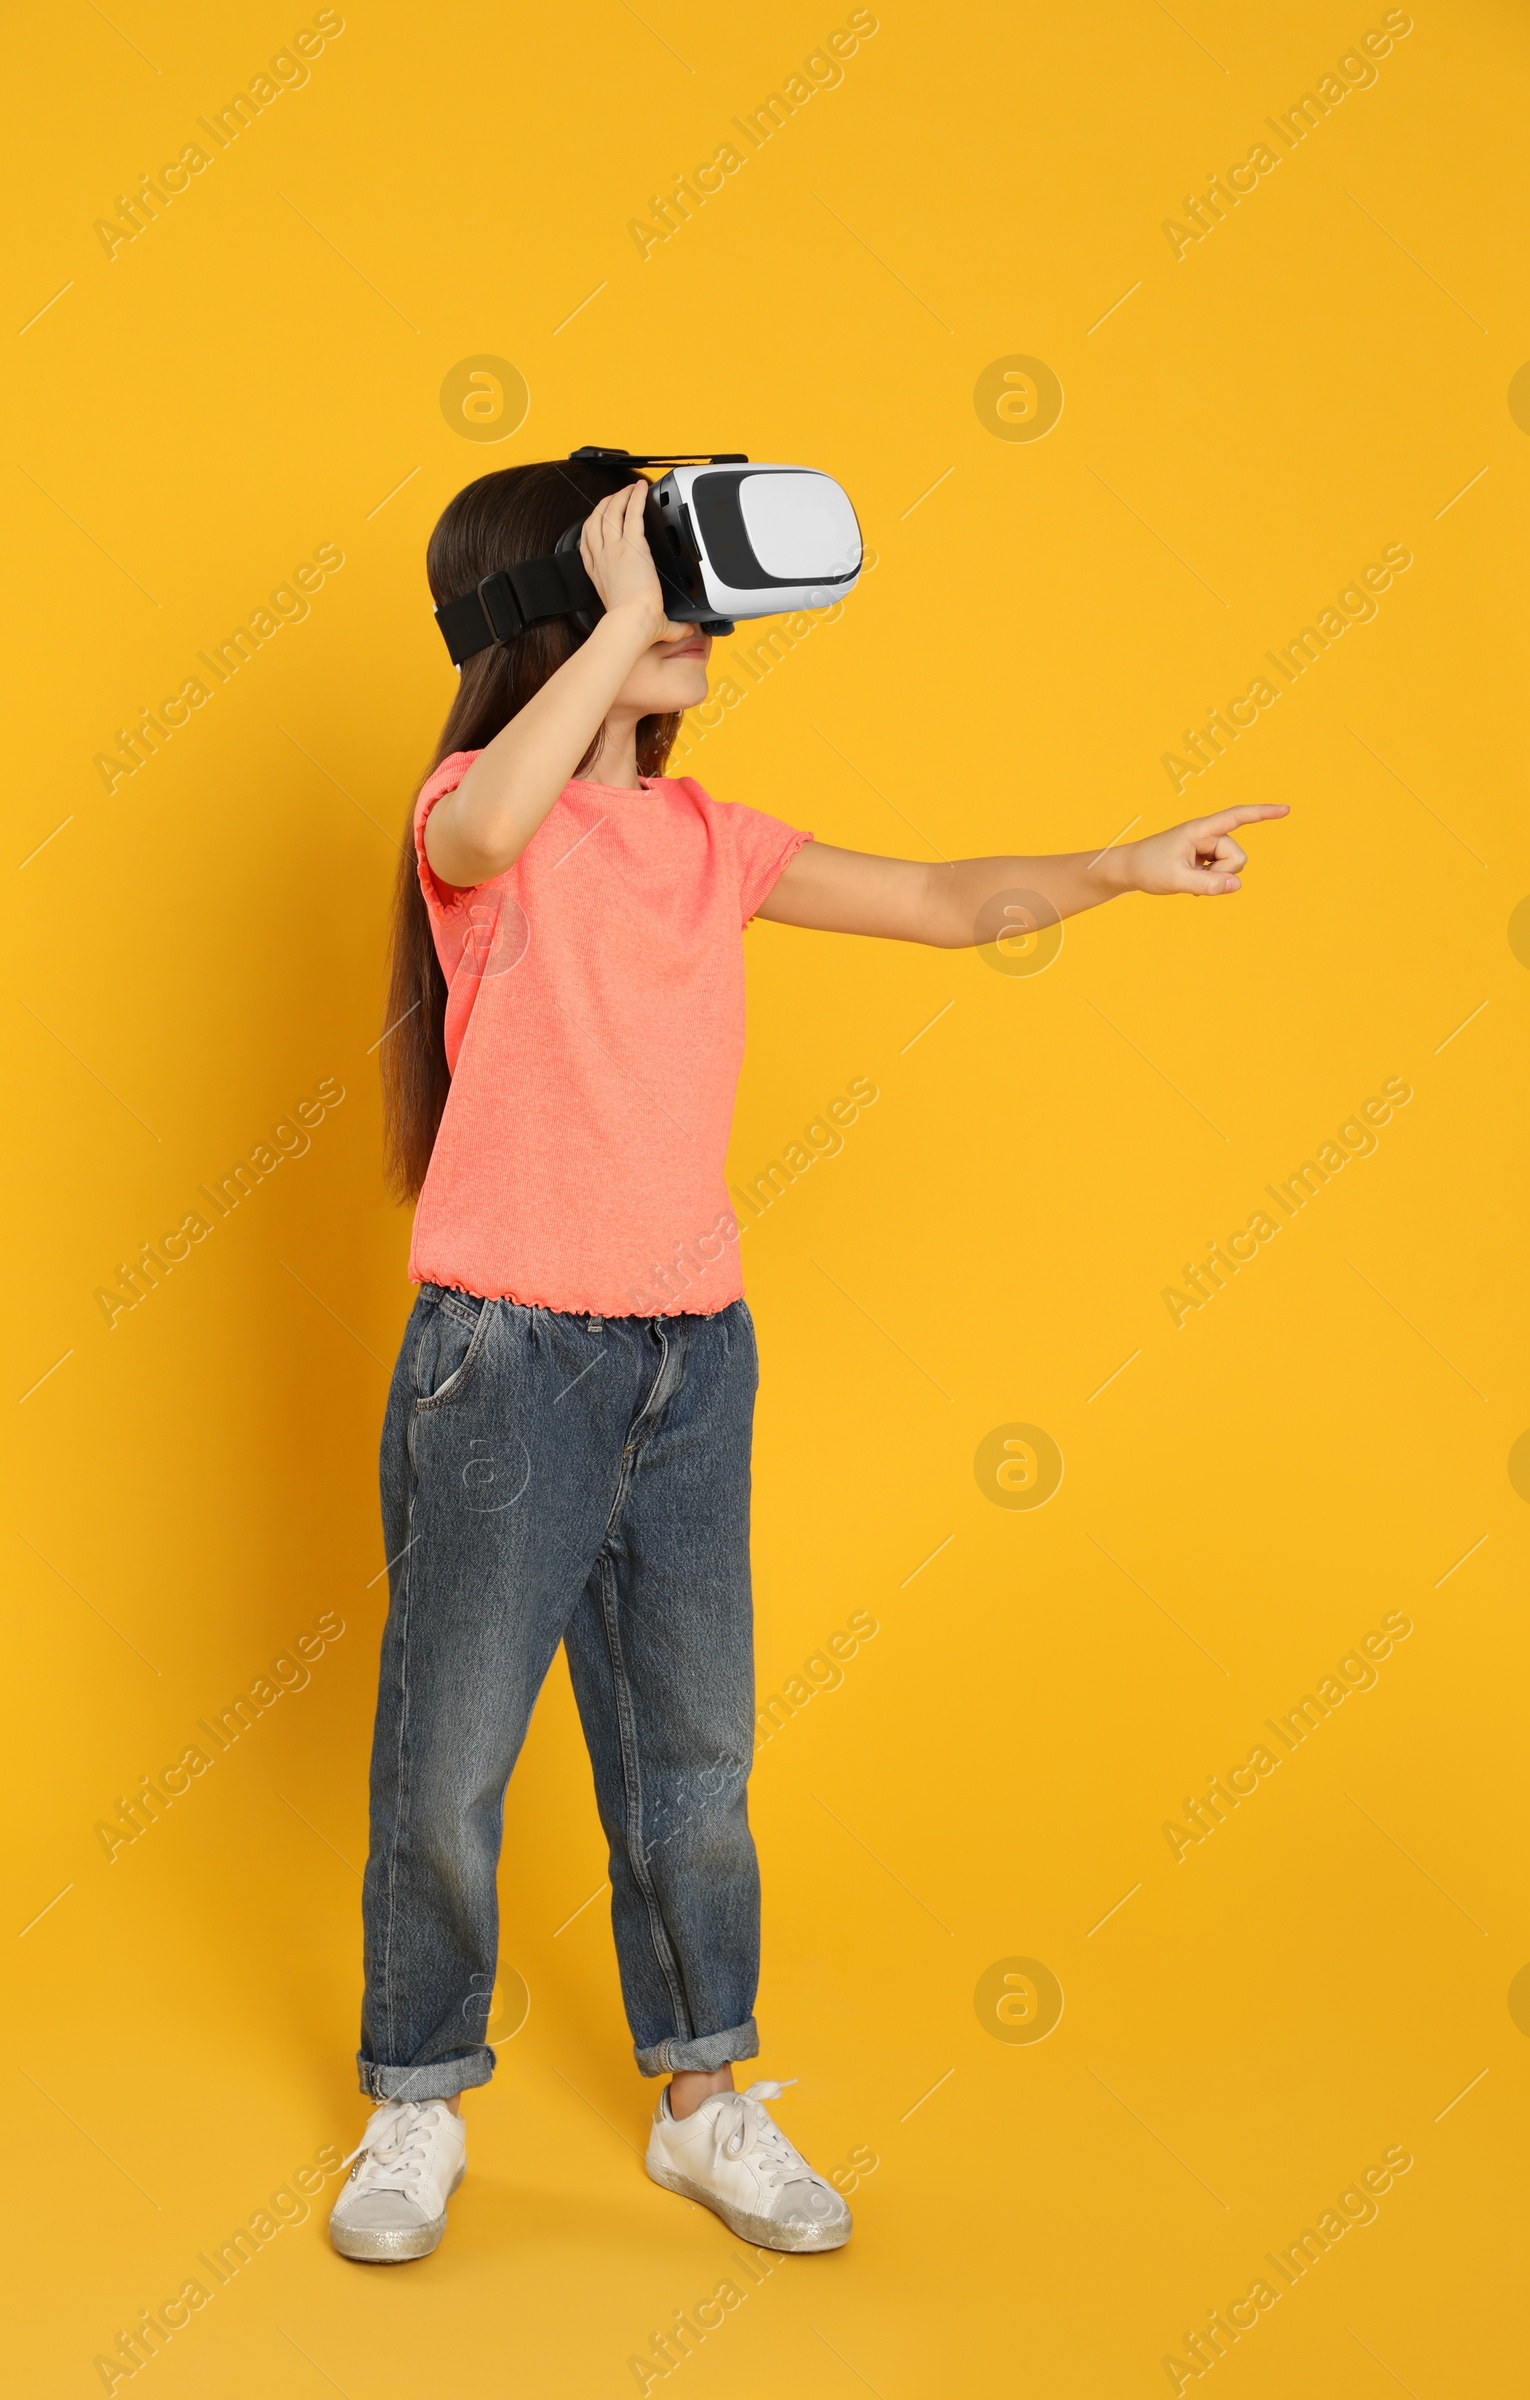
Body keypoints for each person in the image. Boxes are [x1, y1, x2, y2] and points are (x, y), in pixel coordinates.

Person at [329, 459, 1287, 2263]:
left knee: (692, 1758)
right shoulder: (481, 808)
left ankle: (707, 2101)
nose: (693, 614)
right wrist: (614, 613)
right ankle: (415, 2102)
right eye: (647, 573)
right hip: (508, 1358)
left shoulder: (712, 841)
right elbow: (469, 836)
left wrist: (1115, 868)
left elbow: (936, 899)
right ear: (550, 607)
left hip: (696, 1360)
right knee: (450, 1758)